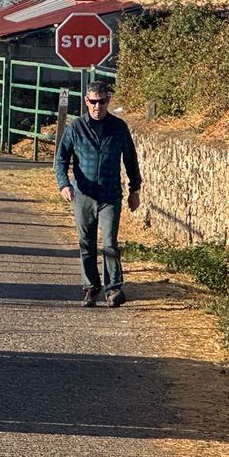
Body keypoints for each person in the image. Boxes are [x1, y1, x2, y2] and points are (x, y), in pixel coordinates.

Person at [54, 78, 142, 307]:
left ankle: (113, 289)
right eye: (93, 101)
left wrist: (135, 189)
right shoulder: (76, 128)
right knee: (86, 242)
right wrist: (64, 184)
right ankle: (91, 287)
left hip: (110, 195)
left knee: (110, 243)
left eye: (102, 102)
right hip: (83, 194)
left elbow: (130, 159)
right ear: (86, 101)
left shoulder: (119, 128)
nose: (97, 106)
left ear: (108, 101)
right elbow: (61, 158)